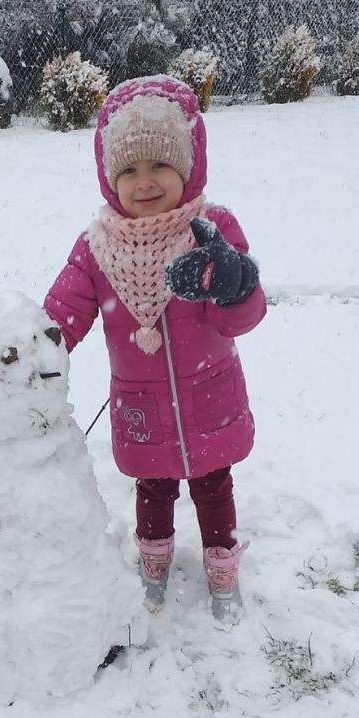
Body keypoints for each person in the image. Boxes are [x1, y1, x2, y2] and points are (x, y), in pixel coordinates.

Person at [44, 75, 267, 620]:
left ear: (189, 166)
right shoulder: (95, 248)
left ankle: (221, 565)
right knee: (153, 488)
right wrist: (11, 366)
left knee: (215, 485)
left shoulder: (212, 231)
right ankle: (154, 563)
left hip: (209, 396)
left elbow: (241, 316)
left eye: (160, 165)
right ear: (108, 178)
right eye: (129, 170)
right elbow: (58, 320)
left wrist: (235, 284)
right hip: (143, 404)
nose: (145, 183)